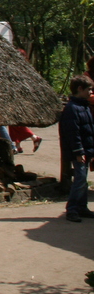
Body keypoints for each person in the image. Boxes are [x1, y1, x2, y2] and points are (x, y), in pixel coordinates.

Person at [59, 74, 94, 222]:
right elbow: (73, 133)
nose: (91, 93)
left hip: (86, 150)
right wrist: (78, 151)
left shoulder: (83, 106)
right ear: (80, 89)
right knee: (79, 179)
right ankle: (72, 208)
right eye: (89, 90)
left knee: (83, 179)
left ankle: (82, 207)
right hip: (79, 151)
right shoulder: (72, 109)